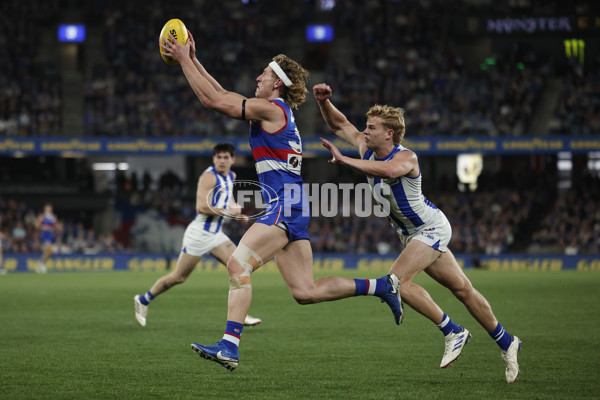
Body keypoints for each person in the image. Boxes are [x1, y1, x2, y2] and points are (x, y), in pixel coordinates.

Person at [160, 31, 403, 371]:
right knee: (306, 292)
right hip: (294, 204)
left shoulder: (272, 109)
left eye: (265, 74)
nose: (258, 78)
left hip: (284, 205)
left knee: (237, 265)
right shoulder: (278, 111)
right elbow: (219, 94)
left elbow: (214, 102)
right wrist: (193, 59)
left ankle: (229, 346)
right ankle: (381, 286)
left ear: (277, 84)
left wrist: (183, 60)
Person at [313, 83, 521, 383]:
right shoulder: (366, 148)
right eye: (366, 127)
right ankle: (507, 342)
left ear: (390, 134)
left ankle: (453, 331)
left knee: (397, 282)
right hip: (412, 235)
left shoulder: (406, 157)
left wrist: (343, 160)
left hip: (431, 228)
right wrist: (324, 102)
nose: (365, 131)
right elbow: (340, 124)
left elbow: (385, 172)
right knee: (463, 289)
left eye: (372, 128)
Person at [133, 143, 262, 328]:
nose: (222, 161)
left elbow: (227, 199)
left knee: (240, 268)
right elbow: (201, 207)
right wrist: (229, 212)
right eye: (219, 157)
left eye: (226, 157)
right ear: (213, 159)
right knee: (178, 277)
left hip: (216, 234)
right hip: (199, 235)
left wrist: (238, 213)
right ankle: (143, 300)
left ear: (232, 160)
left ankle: (240, 314)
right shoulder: (208, 177)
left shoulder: (232, 176)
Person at [35, 203, 58, 273]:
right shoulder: (42, 216)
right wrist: (42, 225)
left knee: (50, 251)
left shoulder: (53, 217)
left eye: (50, 208)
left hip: (51, 235)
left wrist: (55, 225)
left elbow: (55, 227)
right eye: (47, 208)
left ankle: (41, 264)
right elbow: (37, 226)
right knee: (48, 249)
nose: (48, 210)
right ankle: (41, 264)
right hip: (45, 234)